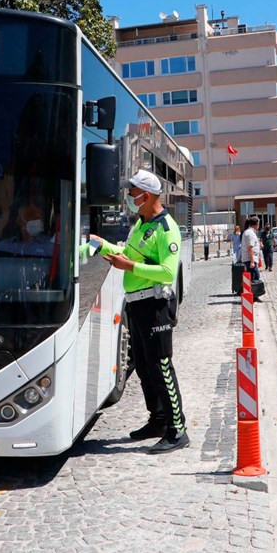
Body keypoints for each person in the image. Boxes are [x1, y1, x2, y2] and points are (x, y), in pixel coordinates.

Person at [88, 170, 189, 455]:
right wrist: (100, 245)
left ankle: (177, 429)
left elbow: (168, 273)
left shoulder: (167, 228)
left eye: (132, 193)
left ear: (145, 196)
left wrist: (129, 267)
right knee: (144, 367)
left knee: (161, 367)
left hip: (155, 306)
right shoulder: (141, 224)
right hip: (137, 303)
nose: (128, 197)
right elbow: (128, 256)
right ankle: (157, 420)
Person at [239, 217, 261, 283]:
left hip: (251, 258)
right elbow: (250, 248)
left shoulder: (249, 232)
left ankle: (252, 291)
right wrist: (252, 261)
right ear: (256, 224)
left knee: (254, 277)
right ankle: (253, 291)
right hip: (250, 259)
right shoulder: (250, 233)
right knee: (255, 277)